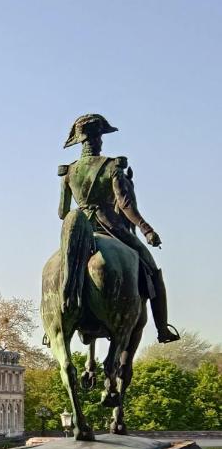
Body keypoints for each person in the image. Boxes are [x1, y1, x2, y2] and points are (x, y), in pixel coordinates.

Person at [58, 114, 180, 343]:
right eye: (101, 137)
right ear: (97, 139)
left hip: (77, 230)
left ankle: (54, 329)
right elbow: (124, 205)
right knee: (152, 271)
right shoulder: (111, 165)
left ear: (81, 141)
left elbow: (62, 213)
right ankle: (163, 328)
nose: (101, 141)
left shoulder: (68, 171)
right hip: (111, 226)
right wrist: (146, 229)